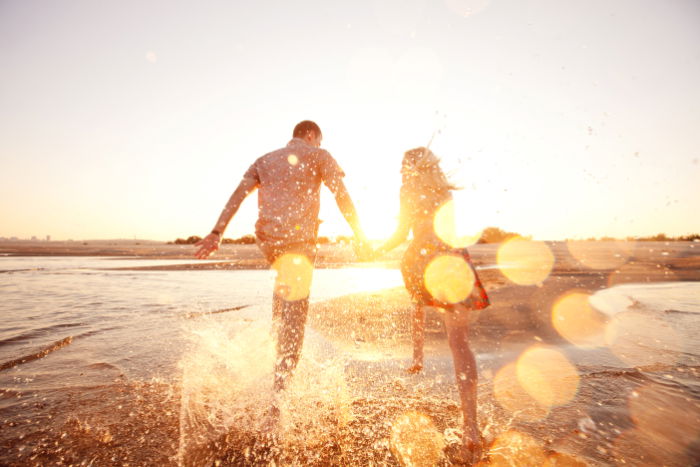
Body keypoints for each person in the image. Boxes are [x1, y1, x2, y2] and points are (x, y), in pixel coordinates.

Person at [194, 120, 369, 402]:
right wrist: (360, 233)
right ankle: (277, 404)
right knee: (295, 320)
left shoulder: (264, 160)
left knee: (282, 300)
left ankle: (270, 365)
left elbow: (237, 196)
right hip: (297, 243)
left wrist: (217, 232)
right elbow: (341, 194)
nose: (319, 145)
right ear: (311, 135)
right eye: (319, 140)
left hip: (268, 241)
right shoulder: (319, 155)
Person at [372, 147, 490, 463]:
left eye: (403, 165)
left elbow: (401, 232)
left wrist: (375, 249)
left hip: (423, 259)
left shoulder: (407, 188)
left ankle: (418, 354)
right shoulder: (444, 192)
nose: (400, 171)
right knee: (460, 343)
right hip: (454, 261)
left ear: (412, 168)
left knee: (418, 298)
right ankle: (472, 428)